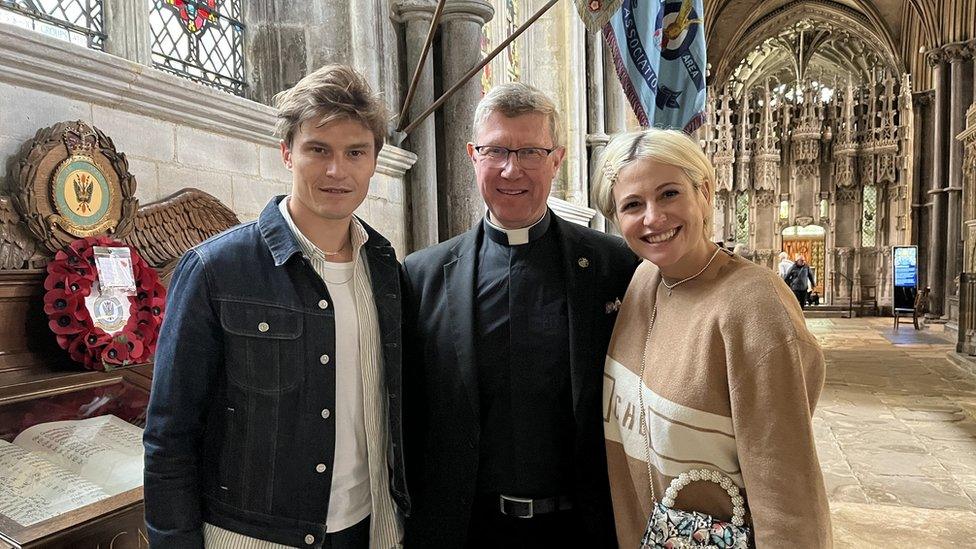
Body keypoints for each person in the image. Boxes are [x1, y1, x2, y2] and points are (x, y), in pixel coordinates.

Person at [143, 65, 408, 549]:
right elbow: (169, 435)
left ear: (374, 160)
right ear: (287, 152)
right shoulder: (215, 269)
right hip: (256, 535)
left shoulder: (387, 268)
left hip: (371, 528)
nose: (337, 170)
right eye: (318, 150)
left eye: (355, 152)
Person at [402, 82, 639, 548]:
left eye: (531, 151)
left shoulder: (616, 267)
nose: (512, 169)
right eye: (496, 151)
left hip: (582, 528)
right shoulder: (421, 276)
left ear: (557, 158)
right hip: (467, 529)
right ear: (473, 155)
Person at [592, 128, 832, 547]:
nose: (652, 217)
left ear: (703, 191)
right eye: (633, 204)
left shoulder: (753, 305)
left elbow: (787, 489)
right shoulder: (645, 280)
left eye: (669, 194)